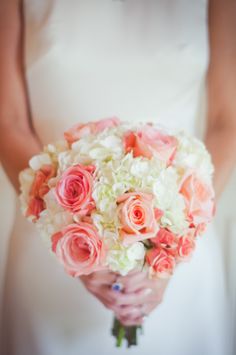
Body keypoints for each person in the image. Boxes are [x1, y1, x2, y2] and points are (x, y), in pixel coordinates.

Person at [0, 0, 235, 354]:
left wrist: (169, 244)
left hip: (181, 263)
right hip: (53, 250)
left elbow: (226, 121)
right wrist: (71, 230)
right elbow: (9, 120)